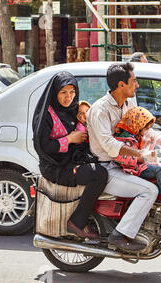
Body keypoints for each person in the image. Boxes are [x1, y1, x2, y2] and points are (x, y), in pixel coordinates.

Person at [86, 62, 159, 252]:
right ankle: (120, 235)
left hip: (128, 165)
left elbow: (143, 129)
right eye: (133, 81)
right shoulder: (100, 110)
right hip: (108, 168)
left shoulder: (129, 104)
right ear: (121, 85)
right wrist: (139, 154)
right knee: (149, 191)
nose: (137, 85)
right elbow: (109, 145)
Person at [32, 71, 108, 240]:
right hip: (56, 167)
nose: (68, 97)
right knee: (99, 174)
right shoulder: (46, 115)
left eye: (72, 92)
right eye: (63, 92)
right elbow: (43, 146)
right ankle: (77, 222)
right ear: (54, 93)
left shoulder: (74, 110)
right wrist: (69, 139)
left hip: (73, 161)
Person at [113, 106, 161, 209]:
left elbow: (155, 137)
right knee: (160, 170)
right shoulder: (125, 139)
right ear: (137, 125)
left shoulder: (137, 135)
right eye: (146, 128)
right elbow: (123, 158)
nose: (148, 131)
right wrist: (143, 157)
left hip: (142, 166)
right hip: (135, 169)